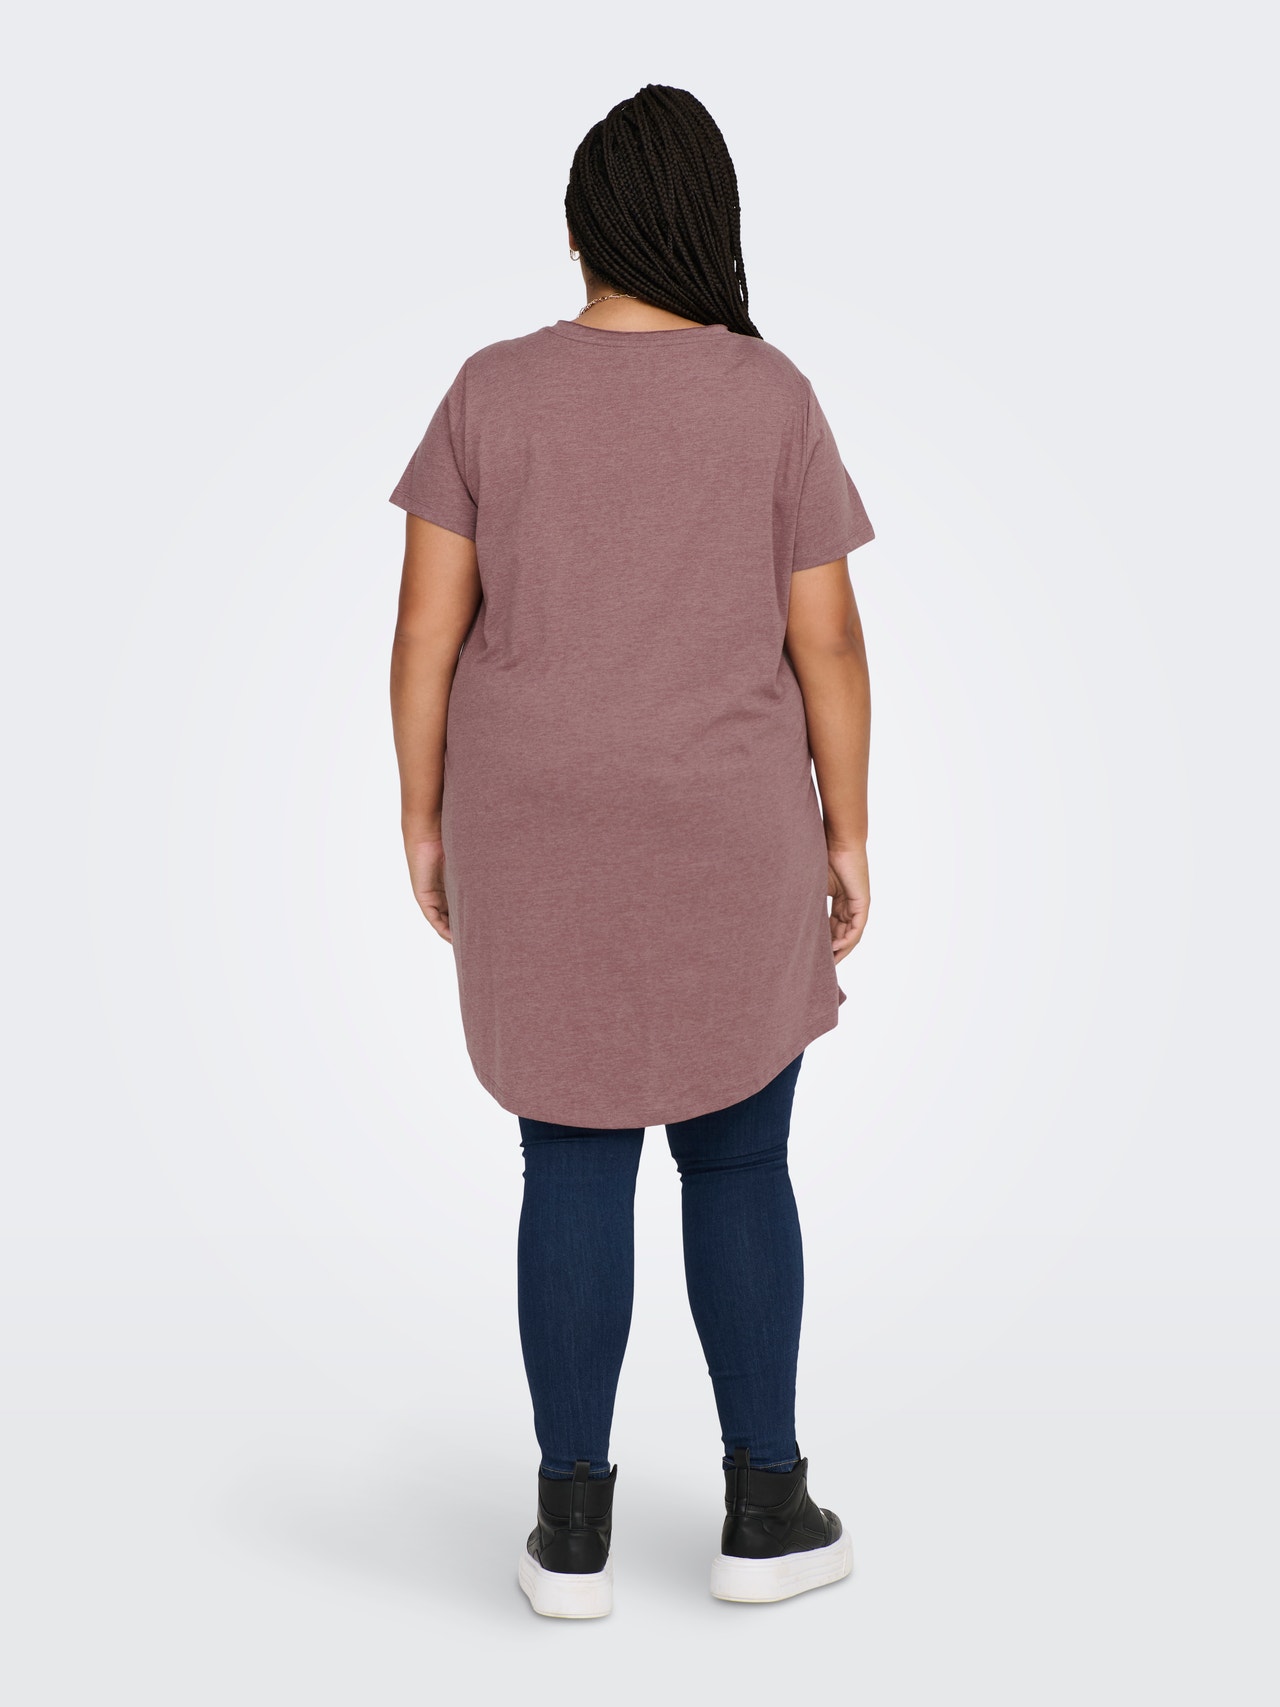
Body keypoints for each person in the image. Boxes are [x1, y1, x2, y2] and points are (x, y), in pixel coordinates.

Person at [388, 83, 875, 1618]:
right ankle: (767, 1513)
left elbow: (425, 630)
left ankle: (572, 1536)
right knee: (740, 1158)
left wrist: (422, 812)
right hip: (729, 818)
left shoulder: (489, 391)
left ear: (581, 230)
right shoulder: (771, 393)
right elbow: (828, 640)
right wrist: (850, 827)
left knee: (571, 1157)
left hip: (532, 822)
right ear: (710, 224)